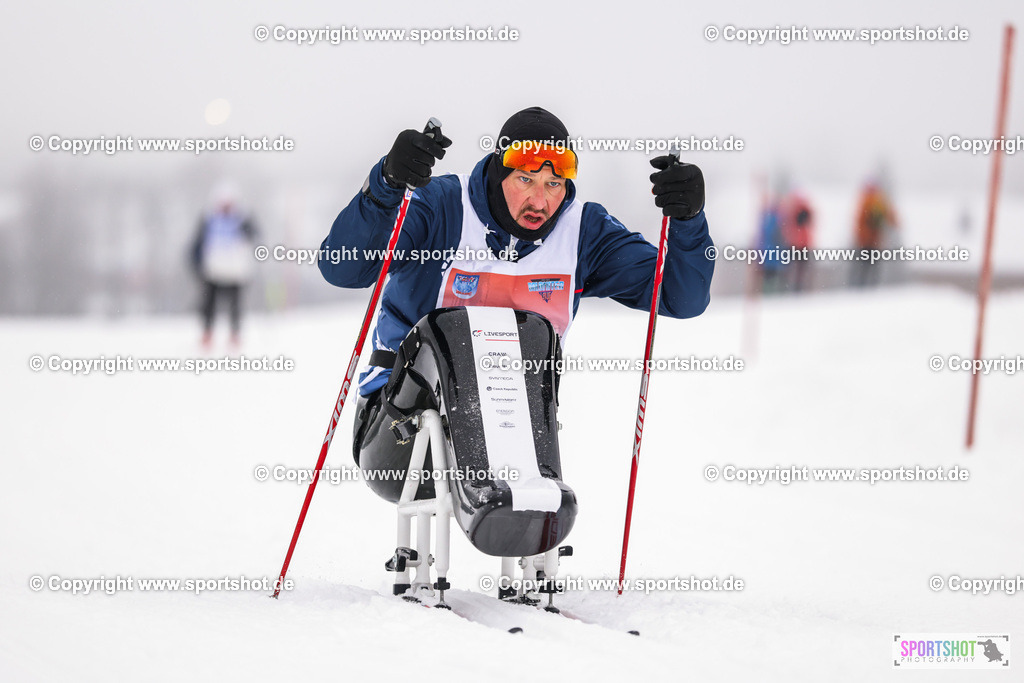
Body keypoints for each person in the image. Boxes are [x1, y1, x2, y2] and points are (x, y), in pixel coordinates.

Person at [318, 107, 714, 467]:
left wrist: (689, 220)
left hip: (512, 423)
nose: (540, 201)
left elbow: (682, 297)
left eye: (554, 184)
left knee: (537, 506)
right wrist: (386, 185)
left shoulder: (583, 233)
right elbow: (344, 269)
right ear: (498, 171)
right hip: (400, 420)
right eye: (526, 179)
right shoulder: (442, 207)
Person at [190, 185, 257, 348]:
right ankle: (207, 333)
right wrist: (196, 264)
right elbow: (198, 243)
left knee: (235, 305)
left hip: (236, 270)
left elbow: (253, 236)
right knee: (209, 304)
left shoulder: (242, 219)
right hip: (213, 269)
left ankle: (235, 335)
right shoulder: (209, 219)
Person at [851, 181, 898, 287]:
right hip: (876, 240)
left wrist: (859, 236)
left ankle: (862, 287)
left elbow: (859, 222)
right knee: (873, 267)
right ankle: (871, 287)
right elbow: (892, 218)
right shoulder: (880, 201)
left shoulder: (865, 200)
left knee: (863, 267)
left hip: (865, 241)